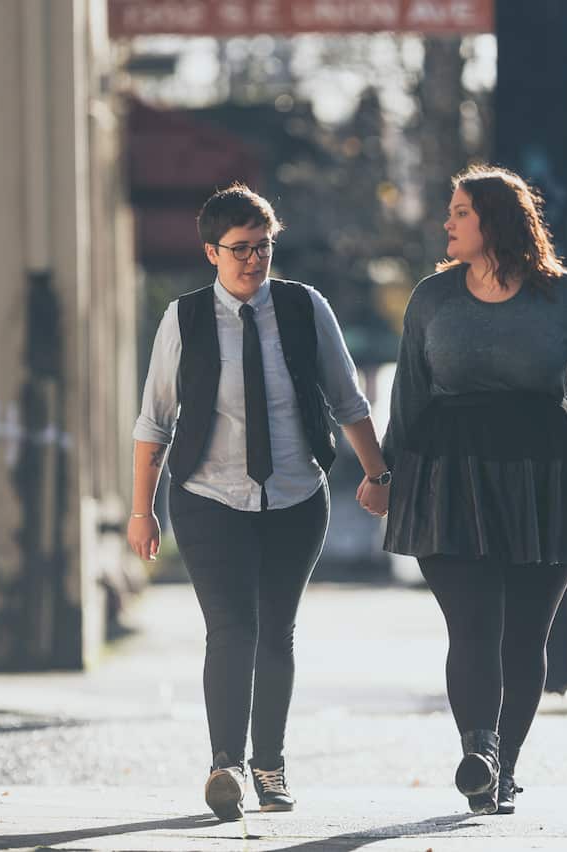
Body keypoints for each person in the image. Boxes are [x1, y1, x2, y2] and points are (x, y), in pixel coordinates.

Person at [381, 165, 567, 815]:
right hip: (451, 474)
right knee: (472, 626)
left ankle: (503, 767)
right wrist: (385, 473)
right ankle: (479, 751)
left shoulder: (561, 296)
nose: (447, 224)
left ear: (494, 221)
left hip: (546, 473)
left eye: (460, 213)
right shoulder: (432, 299)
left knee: (526, 635)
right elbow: (409, 395)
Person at [127, 184, 391, 821]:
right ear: (211, 252)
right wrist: (142, 509)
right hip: (207, 497)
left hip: (297, 497)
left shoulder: (305, 308)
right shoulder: (184, 318)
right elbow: (155, 421)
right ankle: (226, 766)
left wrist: (379, 472)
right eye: (240, 249)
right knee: (231, 628)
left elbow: (347, 398)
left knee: (276, 630)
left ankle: (269, 765)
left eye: (263, 246)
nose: (253, 260)